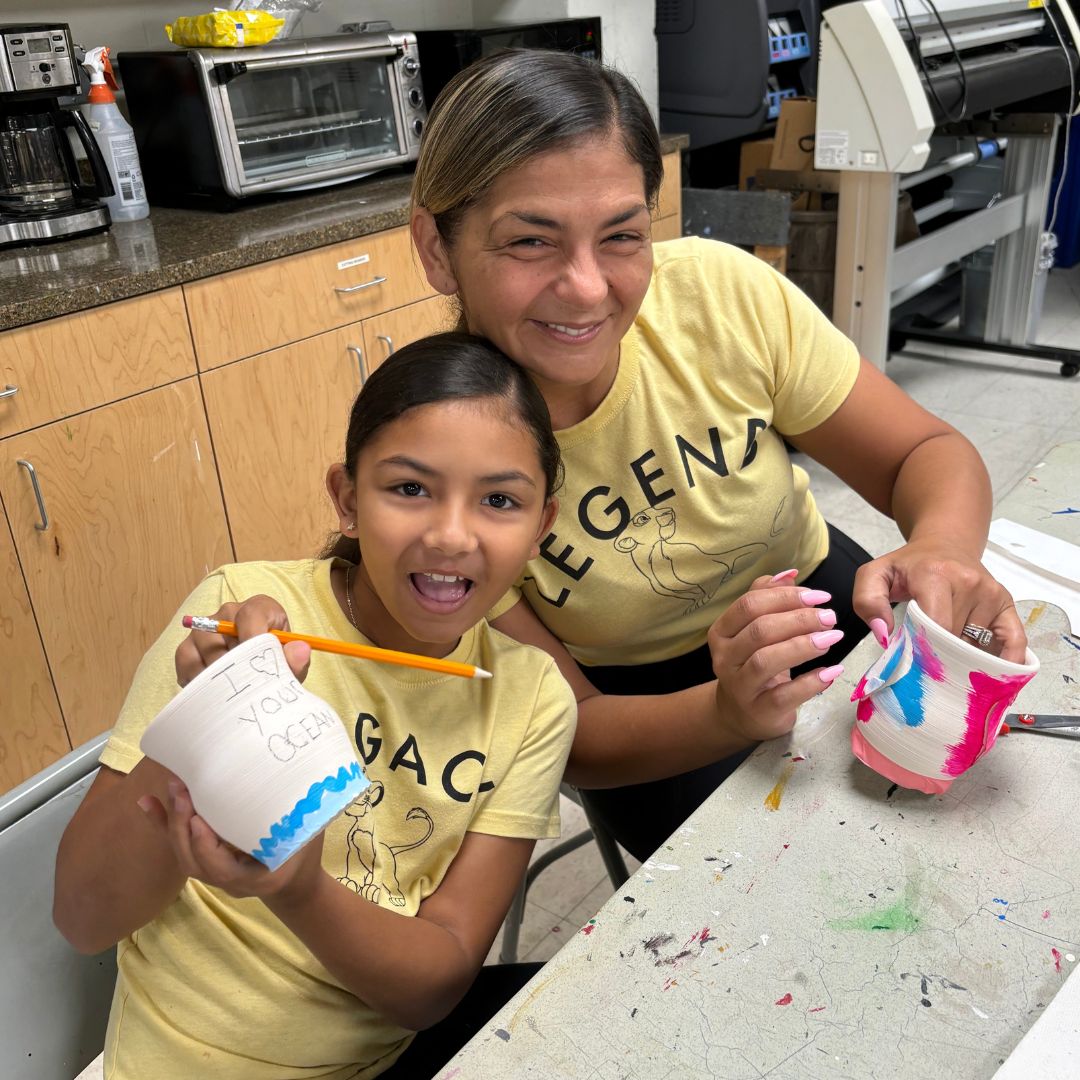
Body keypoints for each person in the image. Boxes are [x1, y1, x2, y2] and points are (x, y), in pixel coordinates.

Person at [408, 49, 1027, 861]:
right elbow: (573, 734)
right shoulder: (435, 459)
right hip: (647, 713)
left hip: (824, 606)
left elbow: (922, 450)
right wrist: (727, 712)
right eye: (531, 242)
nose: (589, 288)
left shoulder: (719, 299)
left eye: (622, 235)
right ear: (435, 248)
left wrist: (942, 550)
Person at [53, 333, 577, 1079]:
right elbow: (82, 917)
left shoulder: (530, 698)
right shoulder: (233, 619)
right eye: (409, 488)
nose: (451, 534)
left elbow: (436, 986)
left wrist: (298, 889)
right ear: (347, 499)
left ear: (539, 530)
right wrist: (206, 727)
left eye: (499, 500)